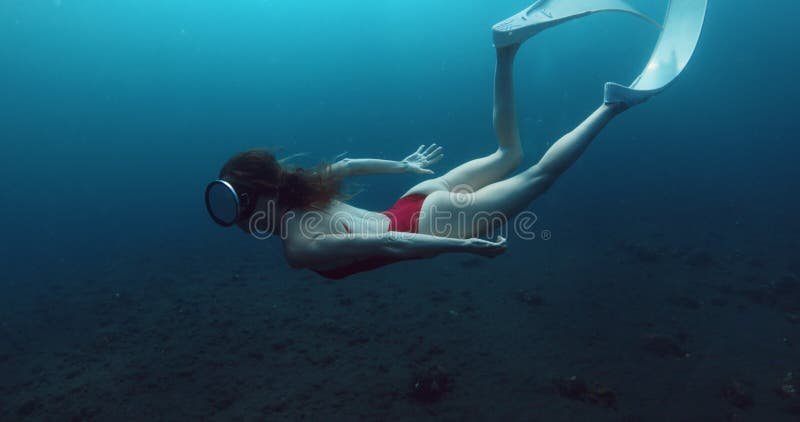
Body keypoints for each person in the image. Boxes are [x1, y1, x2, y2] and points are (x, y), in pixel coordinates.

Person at [205, 1, 703, 279]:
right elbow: (350, 164)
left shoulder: (297, 245)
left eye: (238, 212)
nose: (241, 224)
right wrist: (405, 167)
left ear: (255, 205)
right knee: (512, 153)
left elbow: (396, 244)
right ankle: (505, 52)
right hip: (414, 199)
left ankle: (614, 104)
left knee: (539, 175)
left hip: (432, 219)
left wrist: (464, 246)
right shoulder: (305, 186)